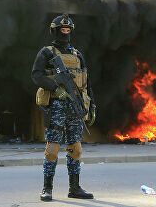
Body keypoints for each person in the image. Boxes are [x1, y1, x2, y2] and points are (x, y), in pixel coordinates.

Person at [31, 14, 96, 201]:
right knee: (52, 150)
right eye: (62, 30)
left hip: (76, 108)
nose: (65, 33)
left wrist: (92, 105)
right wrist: (55, 89)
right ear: (55, 31)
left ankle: (74, 188)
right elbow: (36, 75)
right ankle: (47, 188)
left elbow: (86, 81)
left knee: (75, 149)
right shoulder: (47, 52)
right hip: (57, 106)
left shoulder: (77, 54)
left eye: (68, 30)